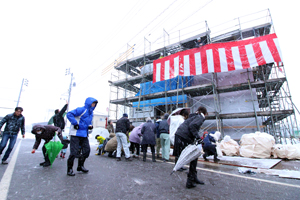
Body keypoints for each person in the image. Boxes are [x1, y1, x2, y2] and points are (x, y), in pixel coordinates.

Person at [173, 106, 208, 189]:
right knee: (193, 157)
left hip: (180, 135)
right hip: (184, 136)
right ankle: (190, 181)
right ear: (205, 113)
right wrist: (198, 138)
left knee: (193, 157)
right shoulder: (200, 117)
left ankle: (193, 178)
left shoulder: (193, 116)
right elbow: (192, 126)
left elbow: (191, 126)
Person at [66, 97, 98, 176]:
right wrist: (75, 123)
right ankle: (69, 169)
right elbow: (69, 114)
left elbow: (88, 122)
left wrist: (90, 125)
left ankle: (80, 166)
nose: (94, 105)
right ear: (89, 103)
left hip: (84, 134)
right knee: (74, 152)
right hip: (75, 133)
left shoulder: (91, 113)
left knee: (86, 151)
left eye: (95, 104)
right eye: (93, 103)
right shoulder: (82, 110)